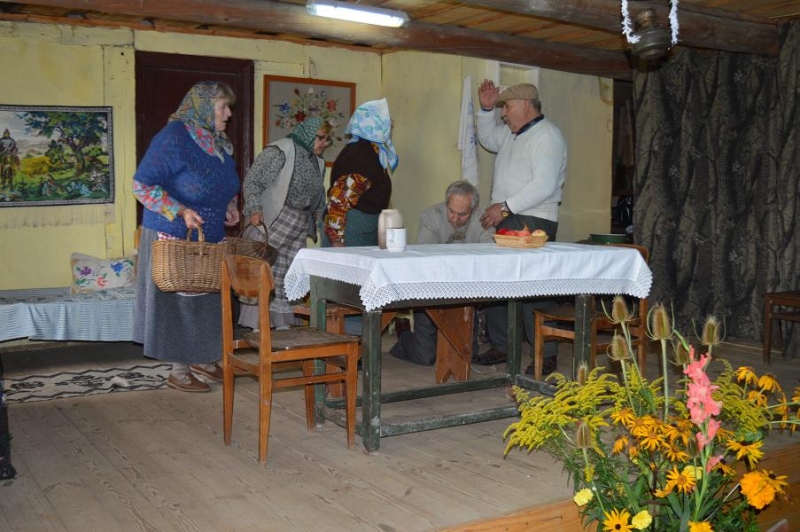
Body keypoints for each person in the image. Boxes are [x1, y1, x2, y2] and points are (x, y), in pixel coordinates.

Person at [133, 81, 241, 393]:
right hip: (175, 233)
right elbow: (142, 185)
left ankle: (203, 360)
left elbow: (225, 183)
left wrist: (230, 206)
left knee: (207, 300)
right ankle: (178, 371)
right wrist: (179, 210)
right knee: (177, 304)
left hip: (209, 234)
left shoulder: (217, 141)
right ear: (204, 107)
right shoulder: (174, 137)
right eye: (223, 106)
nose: (228, 113)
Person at [475, 80, 567, 376]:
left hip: (533, 219)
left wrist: (504, 207)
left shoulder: (547, 136)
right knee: (497, 283)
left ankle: (547, 352)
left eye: (506, 106)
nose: (504, 113)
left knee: (534, 289)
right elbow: (488, 138)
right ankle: (503, 346)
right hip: (510, 216)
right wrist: (486, 109)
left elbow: (544, 185)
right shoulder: (512, 135)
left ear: (526, 105)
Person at [240, 117, 333, 329]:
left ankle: (282, 325)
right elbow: (253, 180)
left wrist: (319, 214)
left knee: (287, 273)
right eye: (321, 138)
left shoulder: (316, 161)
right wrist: (254, 209)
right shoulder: (280, 150)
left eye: (328, 140)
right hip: (275, 218)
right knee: (265, 269)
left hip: (299, 222)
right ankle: (258, 325)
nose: (324, 144)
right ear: (309, 134)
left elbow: (318, 193)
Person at [389, 180, 494, 365]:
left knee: (464, 355)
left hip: (465, 293)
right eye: (451, 211)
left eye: (462, 214)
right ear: (446, 203)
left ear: (474, 208)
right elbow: (425, 259)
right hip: (431, 290)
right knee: (426, 357)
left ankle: (438, 339)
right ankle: (404, 335)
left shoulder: (483, 219)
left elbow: (488, 257)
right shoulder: (431, 216)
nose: (454, 219)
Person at [322, 98, 397, 247]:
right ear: (373, 125)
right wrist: (337, 243)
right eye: (388, 123)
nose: (391, 126)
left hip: (362, 230)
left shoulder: (372, 152)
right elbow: (338, 202)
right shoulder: (361, 156)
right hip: (351, 232)